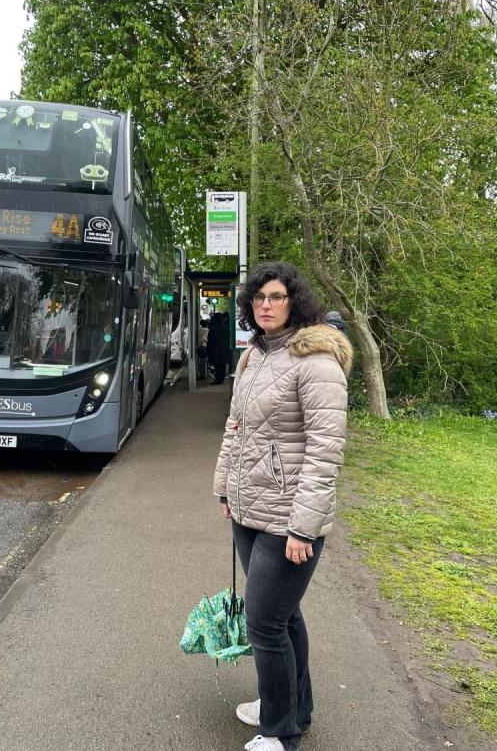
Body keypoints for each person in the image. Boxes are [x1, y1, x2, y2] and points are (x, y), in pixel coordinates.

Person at [213, 262, 352, 751]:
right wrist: (226, 489)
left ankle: (280, 732)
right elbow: (236, 429)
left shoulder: (316, 361)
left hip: (291, 518)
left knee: (265, 622)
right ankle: (291, 707)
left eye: (275, 297)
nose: (265, 305)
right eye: (258, 298)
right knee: (284, 616)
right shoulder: (255, 356)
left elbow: (324, 452)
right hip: (251, 509)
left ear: (294, 301)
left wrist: (303, 528)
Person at [206, 311, 231, 384]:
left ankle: (218, 380)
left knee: (217, 366)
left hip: (215, 350)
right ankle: (221, 379)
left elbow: (210, 341)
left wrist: (208, 350)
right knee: (222, 366)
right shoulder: (226, 328)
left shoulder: (213, 328)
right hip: (225, 350)